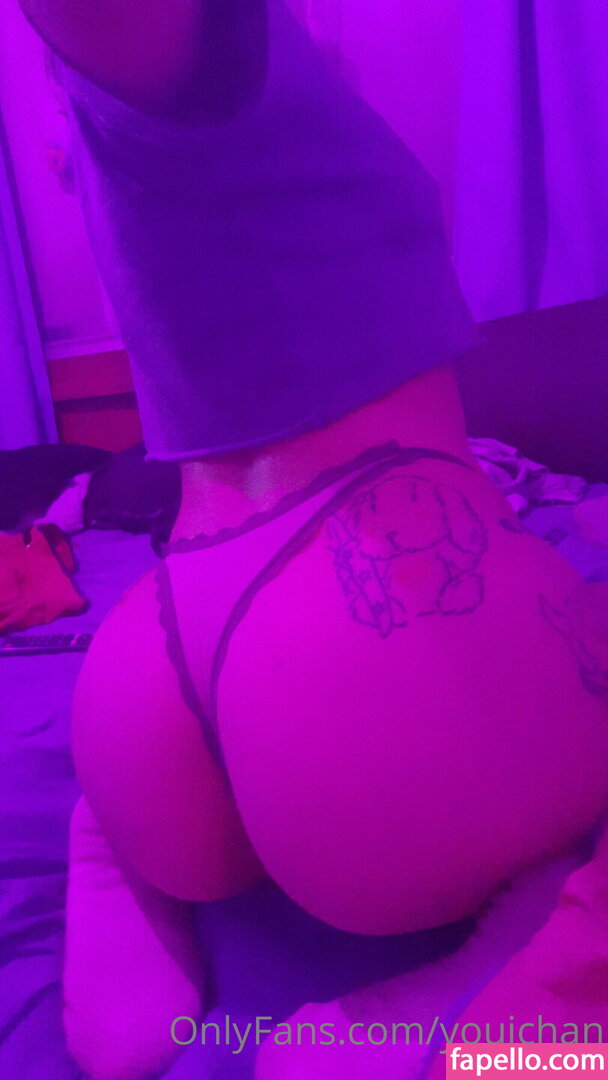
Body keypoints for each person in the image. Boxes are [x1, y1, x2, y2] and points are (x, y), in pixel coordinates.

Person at [19, 1, 608, 1077]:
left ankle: (120, 843)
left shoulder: (177, 140)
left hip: (154, 659)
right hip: (352, 646)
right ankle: (490, 1000)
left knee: (131, 1019)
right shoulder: (201, 62)